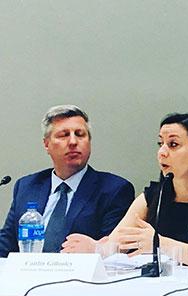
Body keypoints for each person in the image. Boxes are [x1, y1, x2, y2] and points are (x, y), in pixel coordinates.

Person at [63, 113, 188, 264]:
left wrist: (160, 244)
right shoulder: (153, 196)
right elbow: (115, 242)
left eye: (173, 144)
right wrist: (95, 247)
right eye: (160, 144)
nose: (162, 152)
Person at [0, 105, 134, 256]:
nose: (73, 142)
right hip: (26, 275)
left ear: (89, 142)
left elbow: (113, 253)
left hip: (80, 277)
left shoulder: (114, 190)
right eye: (63, 135)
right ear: (46, 144)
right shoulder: (27, 186)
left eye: (80, 134)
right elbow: (6, 244)